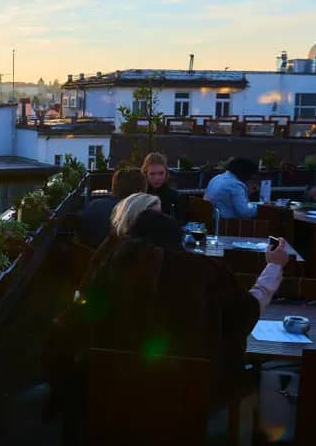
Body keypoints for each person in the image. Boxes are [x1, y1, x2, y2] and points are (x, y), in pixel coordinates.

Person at [44, 209, 289, 444]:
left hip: (110, 406)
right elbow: (247, 312)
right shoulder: (207, 274)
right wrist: (274, 267)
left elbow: (66, 332)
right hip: (187, 407)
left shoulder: (110, 269)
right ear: (177, 240)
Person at [71, 168, 147, 248]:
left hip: (89, 258)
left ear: (114, 187)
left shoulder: (93, 206)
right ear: (140, 191)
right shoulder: (142, 215)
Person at [142, 152, 185, 222]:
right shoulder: (139, 197)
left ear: (166, 173)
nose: (157, 178)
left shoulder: (174, 197)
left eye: (161, 173)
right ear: (145, 174)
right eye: (152, 174)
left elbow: (180, 222)